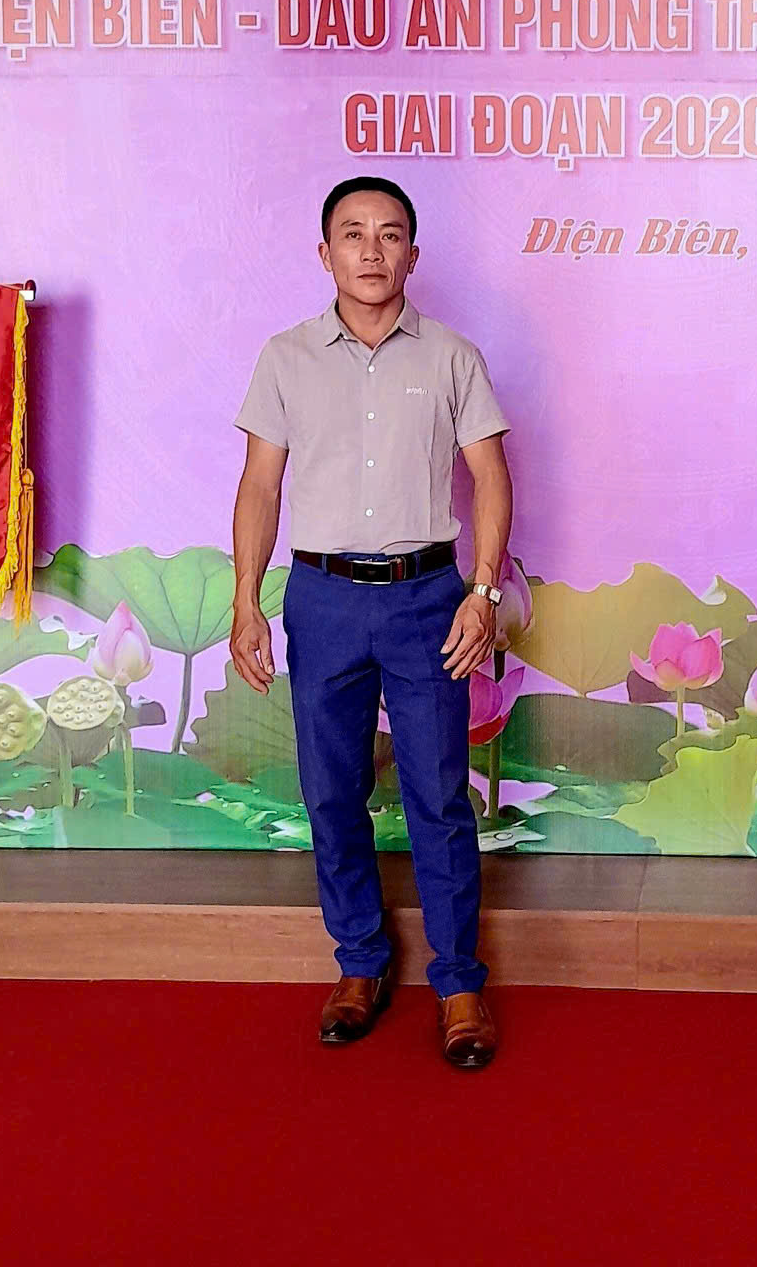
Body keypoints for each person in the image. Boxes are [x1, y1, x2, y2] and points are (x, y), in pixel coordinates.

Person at [228, 176, 513, 1069]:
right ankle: (359, 963)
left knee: (438, 795)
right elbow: (260, 485)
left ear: (413, 255)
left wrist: (484, 592)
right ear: (325, 253)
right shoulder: (285, 357)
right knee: (331, 790)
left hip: (428, 597)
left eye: (390, 234)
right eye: (352, 234)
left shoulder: (453, 356)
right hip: (323, 598)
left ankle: (458, 983)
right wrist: (245, 599)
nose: (371, 250)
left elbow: (492, 477)